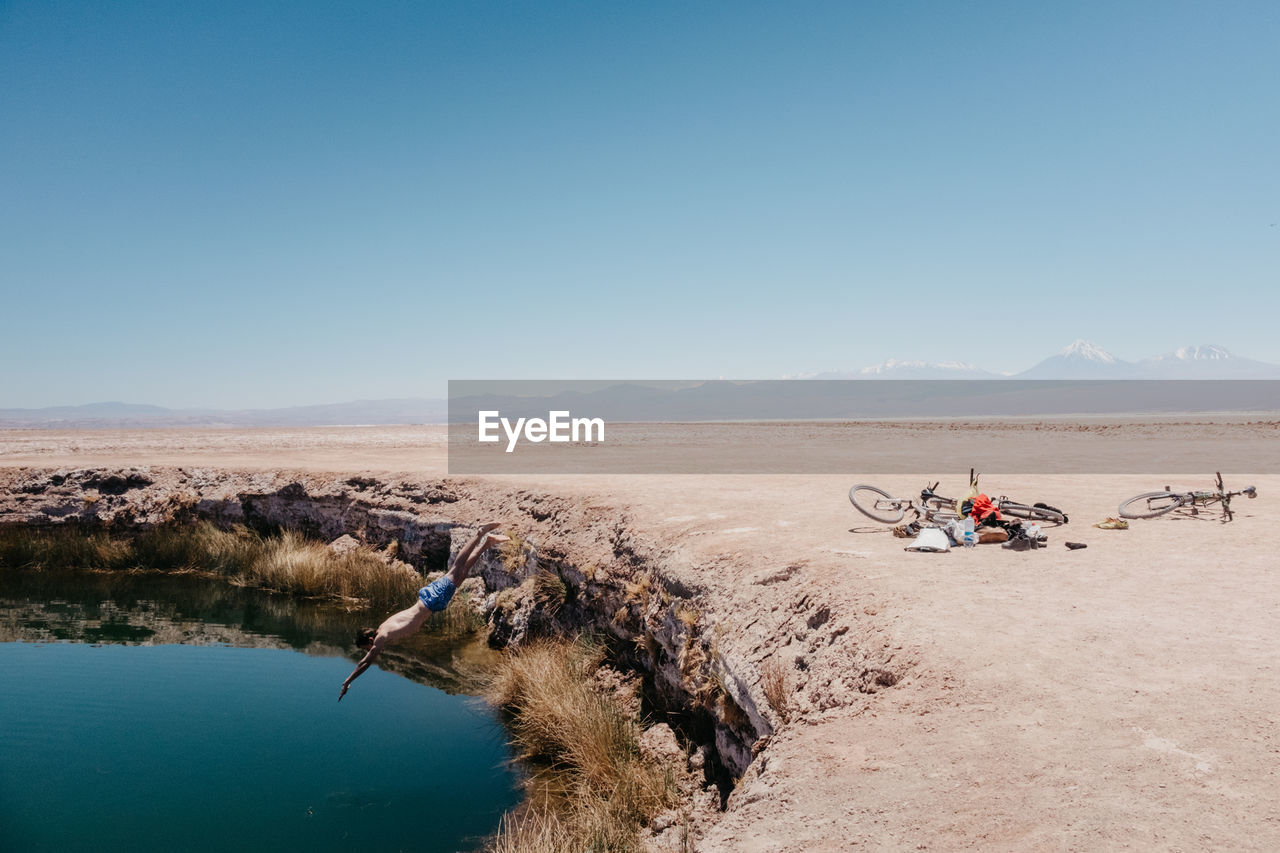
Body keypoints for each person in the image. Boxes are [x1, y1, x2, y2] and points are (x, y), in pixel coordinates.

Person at [338, 523, 508, 701]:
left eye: (366, 647)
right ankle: (487, 542)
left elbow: (366, 662)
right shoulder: (383, 628)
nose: (369, 651)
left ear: (370, 640)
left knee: (457, 567)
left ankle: (480, 533)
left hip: (431, 600)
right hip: (431, 601)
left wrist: (347, 681)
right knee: (461, 572)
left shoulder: (381, 636)